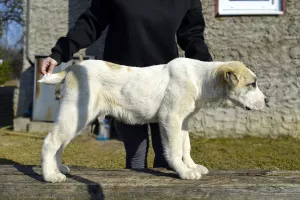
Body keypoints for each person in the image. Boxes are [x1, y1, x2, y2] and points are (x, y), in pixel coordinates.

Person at [41, 0, 212, 169]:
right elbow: (92, 21)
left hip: (166, 87)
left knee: (168, 160)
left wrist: (209, 70)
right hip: (122, 86)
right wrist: (59, 53)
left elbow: (192, 35)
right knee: (136, 156)